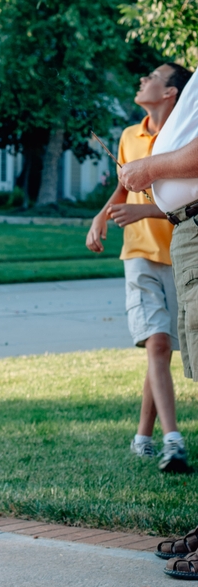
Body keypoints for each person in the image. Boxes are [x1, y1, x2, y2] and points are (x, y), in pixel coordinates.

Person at [86, 63, 192, 472]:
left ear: (170, 93)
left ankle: (142, 436)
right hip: (139, 254)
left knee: (159, 348)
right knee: (158, 343)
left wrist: (145, 208)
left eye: (153, 77)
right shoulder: (130, 135)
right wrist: (101, 217)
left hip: (180, 253)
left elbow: (187, 200)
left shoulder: (183, 139)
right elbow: (122, 186)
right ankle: (173, 440)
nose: (143, 80)